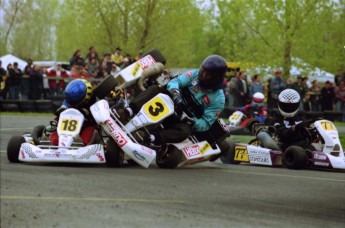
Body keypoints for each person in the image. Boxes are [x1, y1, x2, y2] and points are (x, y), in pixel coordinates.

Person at [130, 55, 227, 145]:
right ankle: (129, 110)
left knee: (185, 131)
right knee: (156, 89)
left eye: (207, 74)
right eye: (203, 70)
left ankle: (150, 138)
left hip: (182, 118)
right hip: (169, 101)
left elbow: (205, 123)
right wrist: (175, 93)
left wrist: (191, 121)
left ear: (216, 78)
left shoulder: (219, 99)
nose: (202, 74)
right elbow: (176, 81)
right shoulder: (195, 74)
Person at [49, 79, 99, 146]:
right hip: (67, 131)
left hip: (86, 126)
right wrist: (58, 115)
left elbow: (98, 119)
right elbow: (57, 116)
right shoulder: (68, 100)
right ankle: (54, 143)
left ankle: (81, 144)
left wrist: (87, 114)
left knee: (90, 131)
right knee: (53, 129)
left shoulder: (94, 101)